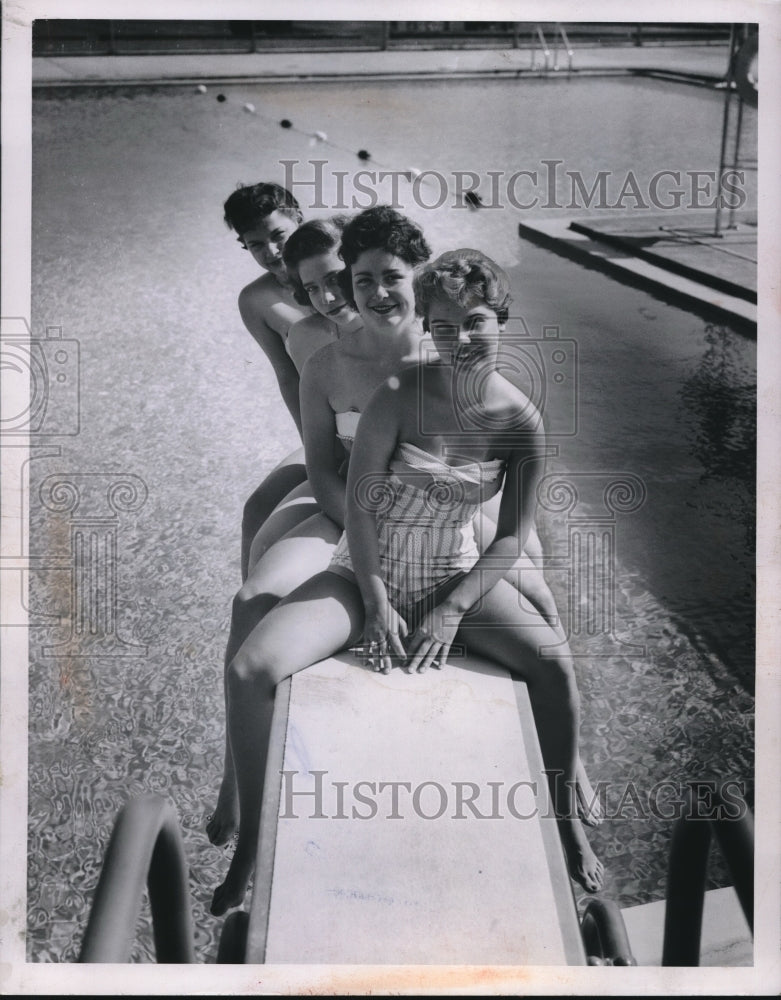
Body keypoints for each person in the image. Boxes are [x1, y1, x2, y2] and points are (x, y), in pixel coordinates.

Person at [209, 218, 601, 916]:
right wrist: (375, 596)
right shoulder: (393, 392)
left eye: (474, 323)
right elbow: (356, 509)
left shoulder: (522, 422)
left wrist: (452, 608)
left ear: (501, 322)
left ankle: (566, 818)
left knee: (555, 661)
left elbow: (510, 536)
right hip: (370, 571)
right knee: (249, 668)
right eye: (443, 326)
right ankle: (251, 845)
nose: (457, 339)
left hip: (454, 574)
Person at [223, 182, 336, 580]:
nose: (271, 252)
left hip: (374, 418)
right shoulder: (256, 301)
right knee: (256, 509)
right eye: (255, 244)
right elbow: (287, 377)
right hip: (325, 428)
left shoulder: (338, 274)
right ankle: (249, 617)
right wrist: (314, 445)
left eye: (278, 236)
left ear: (299, 221)